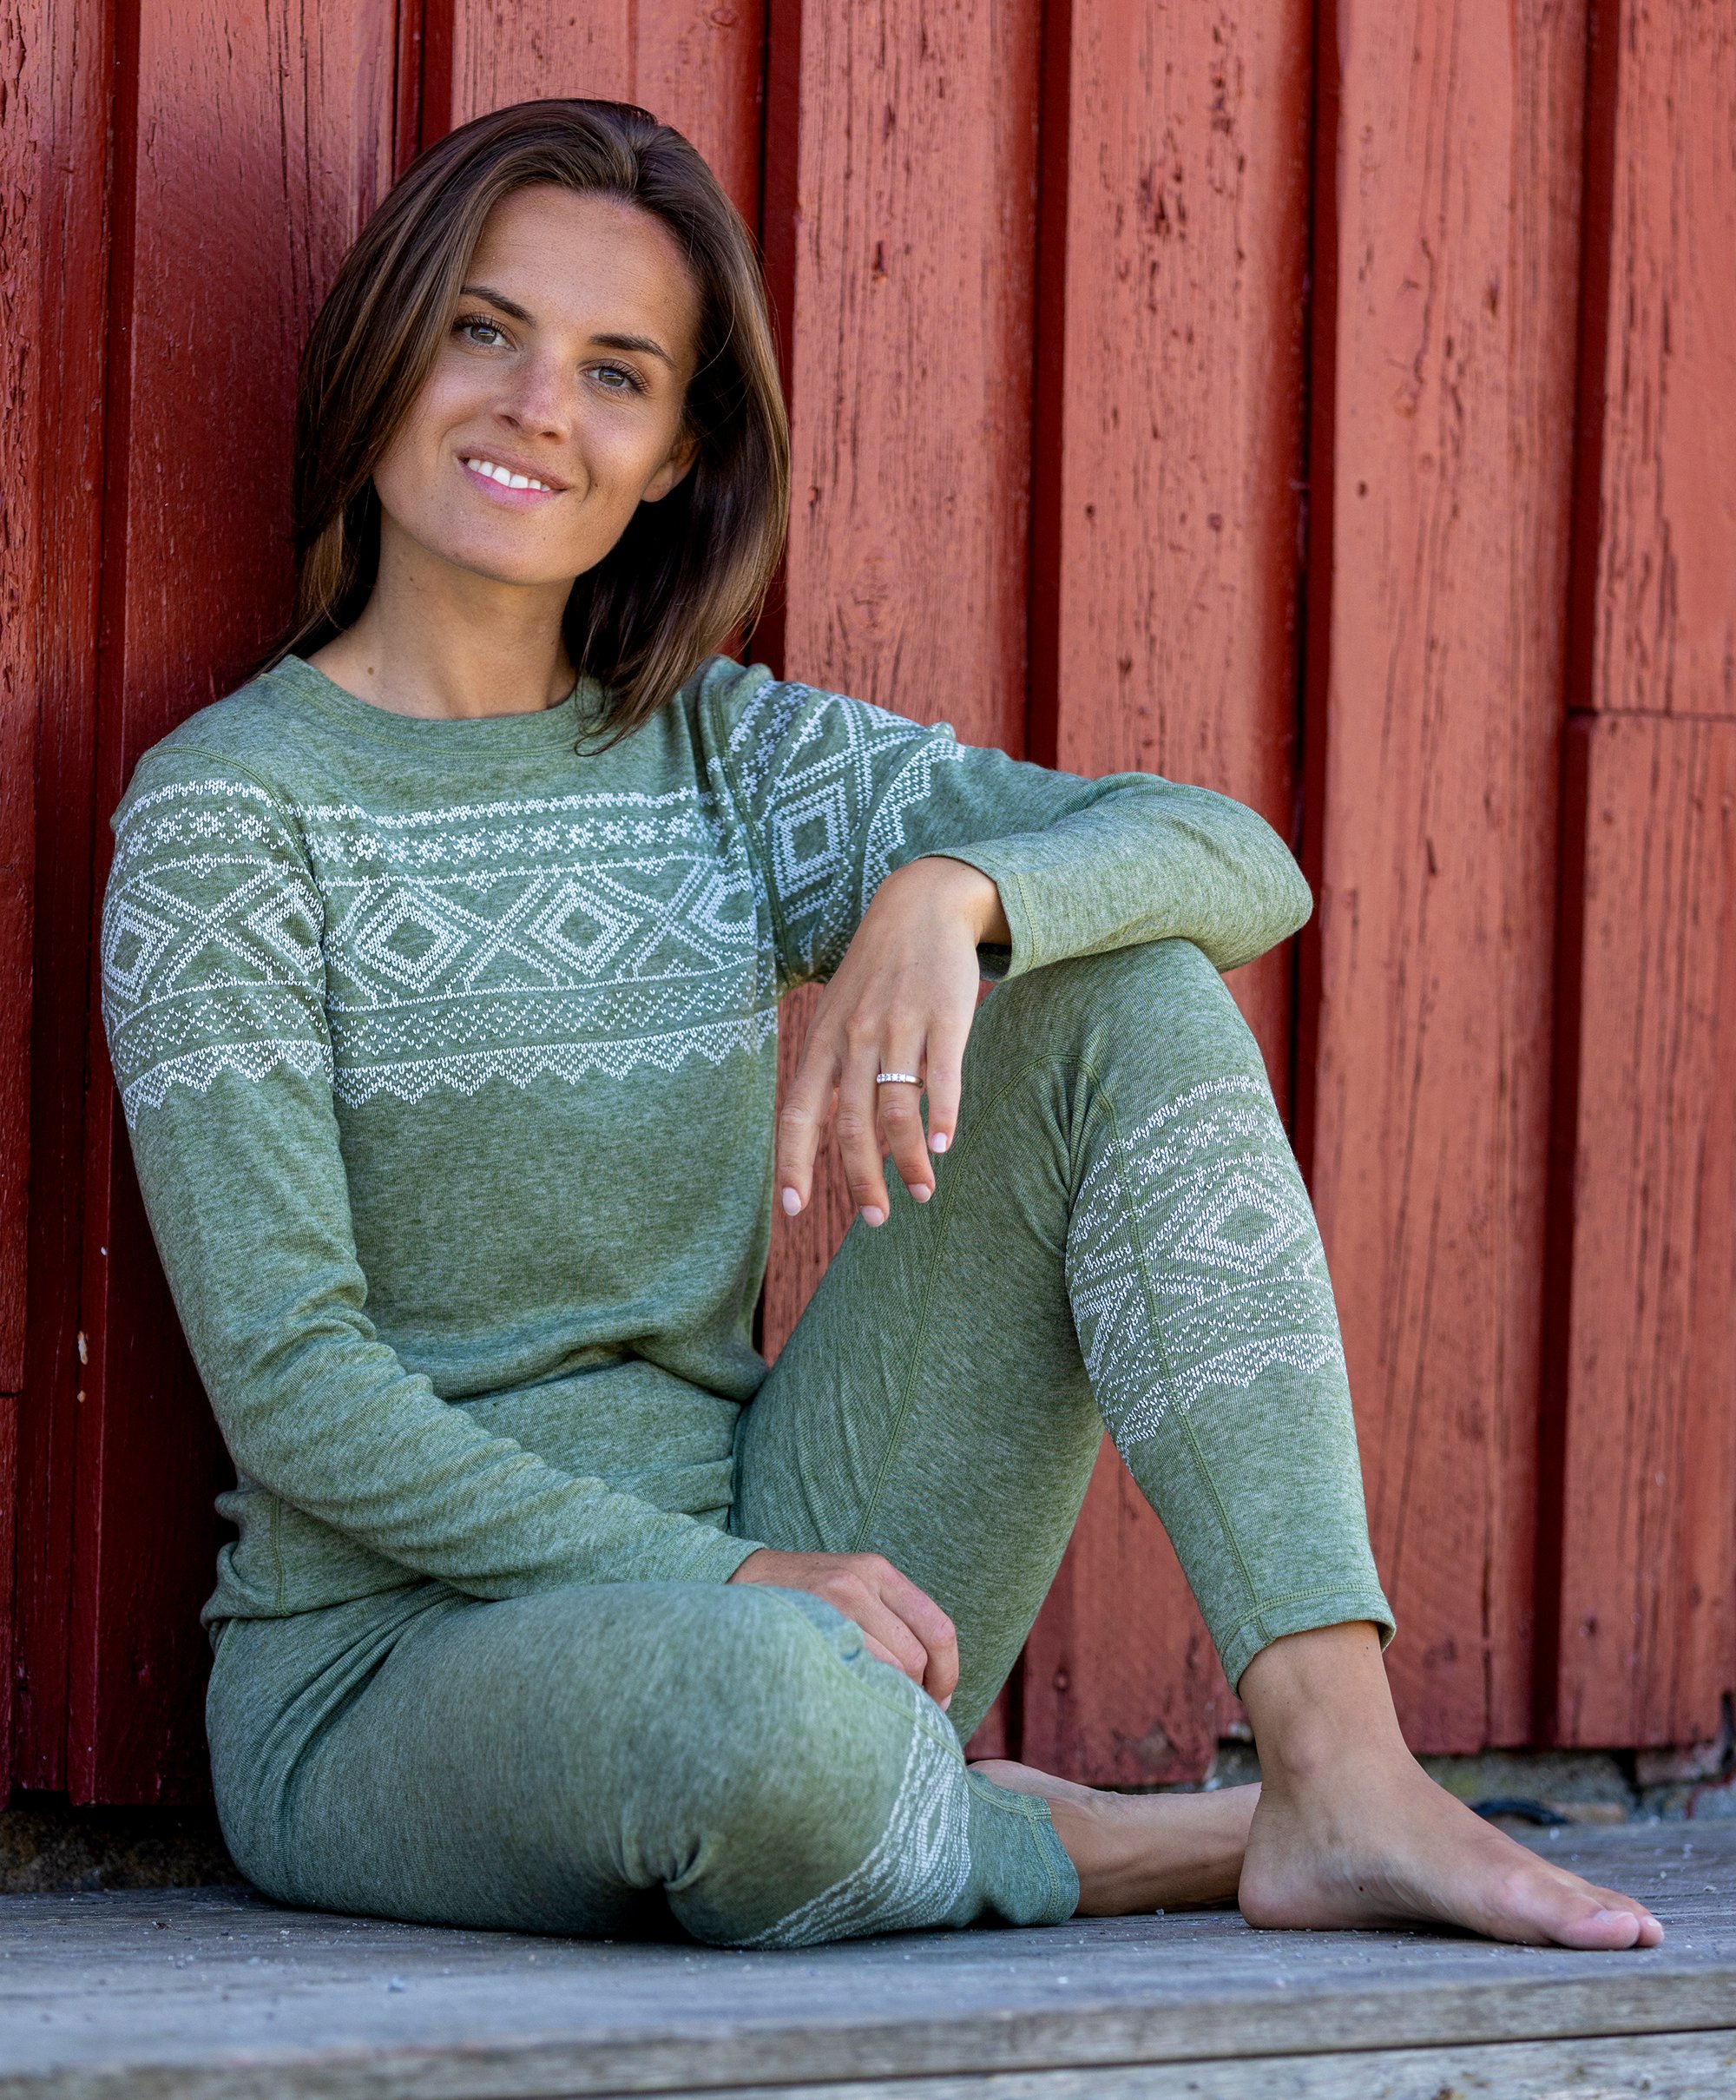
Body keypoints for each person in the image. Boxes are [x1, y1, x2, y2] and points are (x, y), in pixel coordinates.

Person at [101, 97, 1659, 1952]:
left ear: (676, 456)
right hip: (396, 1664)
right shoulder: (229, 816)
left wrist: (957, 895)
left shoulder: (722, 758)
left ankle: (1338, 1765)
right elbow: (294, 1389)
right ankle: (1121, 1844)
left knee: (1121, 983)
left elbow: (1237, 861)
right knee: (765, 1717)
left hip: (781, 1543)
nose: (535, 407)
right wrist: (737, 1582)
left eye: (615, 373)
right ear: (386, 348)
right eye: (482, 330)